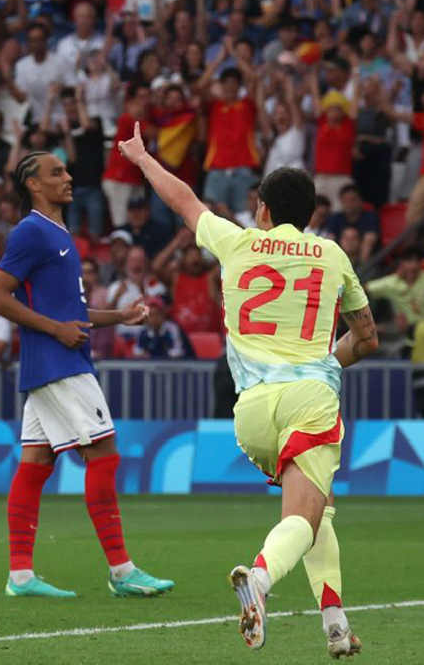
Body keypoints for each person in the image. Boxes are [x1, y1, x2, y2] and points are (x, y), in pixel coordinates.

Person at [119, 126, 375, 656]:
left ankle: (334, 624)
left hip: (251, 413)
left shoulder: (235, 240)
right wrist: (327, 361)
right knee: (302, 518)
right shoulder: (330, 255)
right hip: (308, 400)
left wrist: (143, 159)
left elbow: (185, 200)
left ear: (261, 208)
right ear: (311, 215)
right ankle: (258, 580)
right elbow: (367, 337)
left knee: (315, 510)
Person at [0, 149, 173, 598]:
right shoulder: (31, 231)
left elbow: (72, 312)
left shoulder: (57, 232)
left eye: (67, 169)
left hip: (52, 362)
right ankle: (122, 571)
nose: (68, 177)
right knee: (104, 454)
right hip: (59, 364)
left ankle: (21, 577)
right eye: (56, 173)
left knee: (35, 464)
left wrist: (120, 316)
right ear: (33, 184)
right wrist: (56, 330)